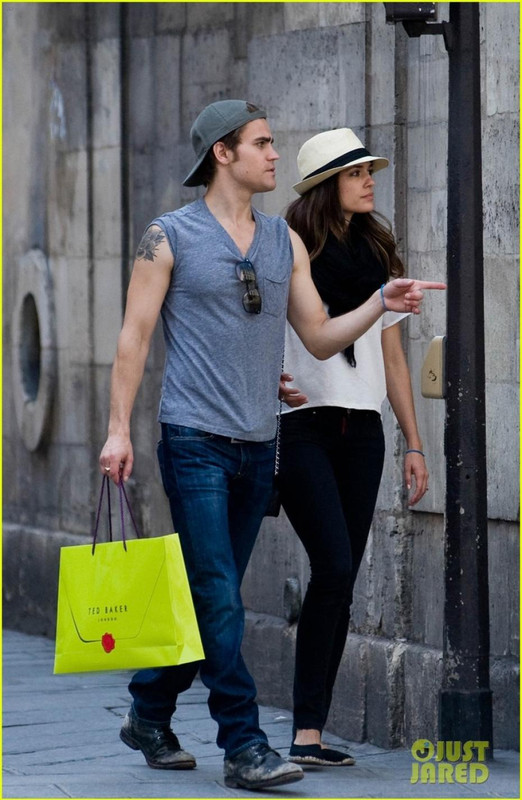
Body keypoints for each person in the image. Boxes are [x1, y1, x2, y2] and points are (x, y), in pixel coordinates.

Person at [99, 101, 444, 790]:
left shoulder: (280, 242)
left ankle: (146, 709)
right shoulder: (166, 237)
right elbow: (133, 338)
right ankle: (245, 744)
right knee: (223, 596)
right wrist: (116, 428)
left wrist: (383, 301)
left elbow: (316, 335)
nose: (274, 156)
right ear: (221, 155)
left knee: (208, 598)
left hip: (259, 445)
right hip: (194, 439)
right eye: (261, 144)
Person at [276, 128, 433, 767]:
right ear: (324, 187)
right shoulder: (288, 249)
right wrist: (261, 381)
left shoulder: (376, 257)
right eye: (355, 172)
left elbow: (393, 357)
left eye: (370, 170)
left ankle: (309, 733)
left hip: (362, 432)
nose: (370, 180)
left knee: (336, 581)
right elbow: (256, 323)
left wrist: (414, 444)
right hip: (304, 426)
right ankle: (296, 727)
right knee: (335, 567)